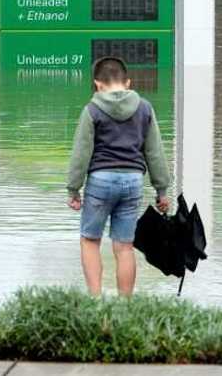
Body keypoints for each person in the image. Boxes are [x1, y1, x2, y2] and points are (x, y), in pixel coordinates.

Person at [66, 57, 171, 296]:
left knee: (90, 241)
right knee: (124, 247)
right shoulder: (144, 108)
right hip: (133, 181)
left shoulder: (92, 110)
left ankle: (95, 300)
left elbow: (81, 153)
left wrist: (73, 189)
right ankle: (125, 306)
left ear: (97, 84)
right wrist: (162, 190)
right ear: (128, 82)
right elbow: (154, 151)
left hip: (100, 180)